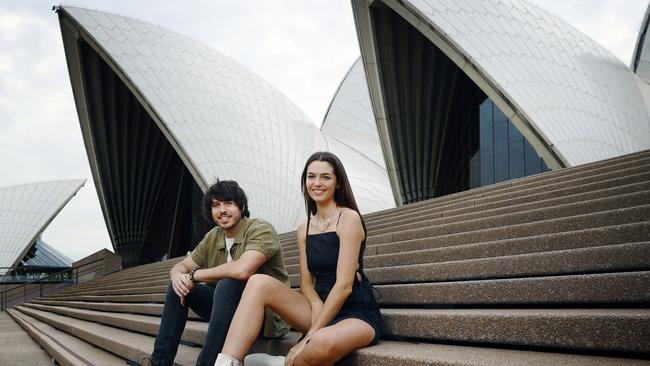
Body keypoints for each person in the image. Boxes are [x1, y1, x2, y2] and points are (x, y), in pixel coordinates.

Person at [214, 152, 382, 366]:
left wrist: (310, 335)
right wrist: (314, 302)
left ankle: (281, 364)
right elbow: (306, 283)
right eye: (311, 177)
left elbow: (344, 286)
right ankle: (227, 362)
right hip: (319, 308)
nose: (317, 183)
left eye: (325, 177)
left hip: (356, 313)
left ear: (338, 182)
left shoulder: (348, 218)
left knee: (320, 341)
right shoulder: (304, 227)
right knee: (258, 282)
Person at [146, 180, 290, 366]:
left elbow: (242, 270)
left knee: (228, 283)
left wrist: (194, 276)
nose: (222, 210)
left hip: (264, 317)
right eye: (216, 205)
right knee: (177, 288)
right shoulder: (213, 237)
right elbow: (179, 267)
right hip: (227, 309)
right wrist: (178, 278)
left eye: (228, 203)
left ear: (241, 206)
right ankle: (158, 363)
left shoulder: (260, 228)